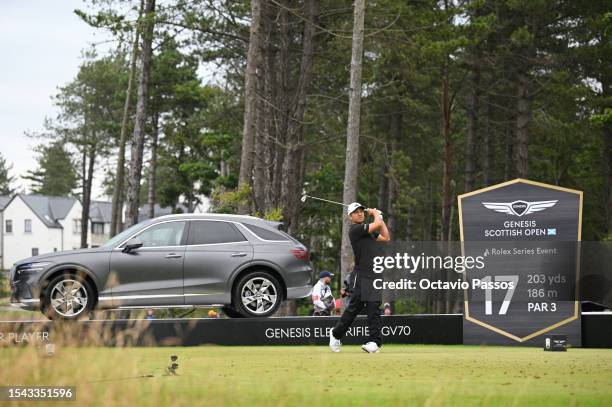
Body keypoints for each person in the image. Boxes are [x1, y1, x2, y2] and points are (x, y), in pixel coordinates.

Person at [329, 202, 390, 353]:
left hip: (374, 275)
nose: (360, 213)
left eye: (362, 211)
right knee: (354, 308)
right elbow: (375, 224)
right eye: (356, 212)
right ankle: (336, 334)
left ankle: (375, 343)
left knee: (374, 307)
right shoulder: (355, 230)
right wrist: (376, 215)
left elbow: (385, 237)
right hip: (361, 275)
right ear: (350, 217)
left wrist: (380, 220)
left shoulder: (368, 230)